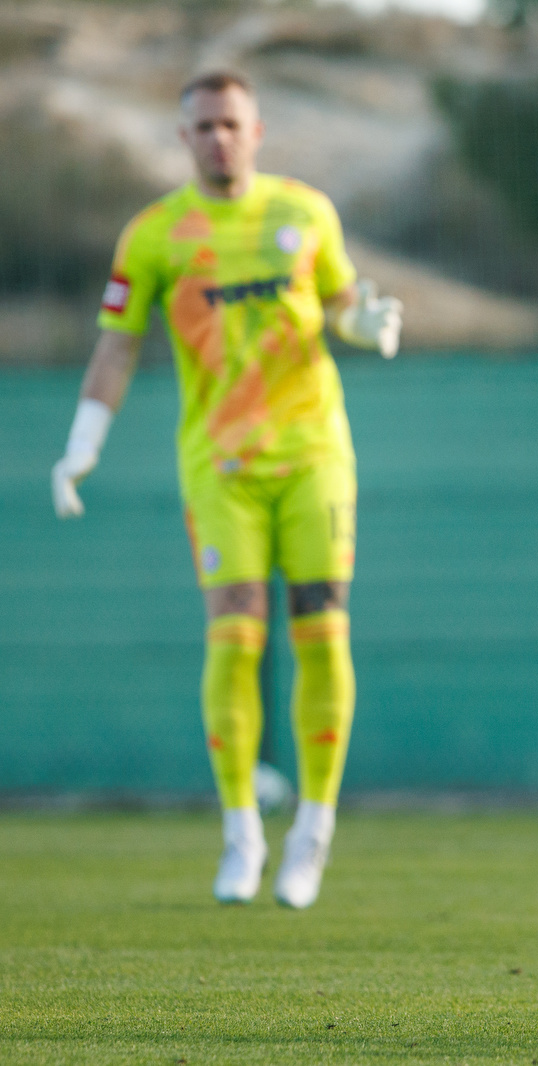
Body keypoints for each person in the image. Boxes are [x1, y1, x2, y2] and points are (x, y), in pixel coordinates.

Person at [50, 70, 403, 909]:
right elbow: (116, 343)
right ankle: (242, 829)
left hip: (314, 453)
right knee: (234, 641)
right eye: (202, 126)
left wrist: (366, 325)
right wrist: (81, 442)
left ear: (257, 130)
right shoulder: (156, 234)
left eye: (230, 123)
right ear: (184, 139)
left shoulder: (304, 212)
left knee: (322, 633)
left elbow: (343, 302)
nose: (218, 138)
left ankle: (312, 829)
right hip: (220, 467)